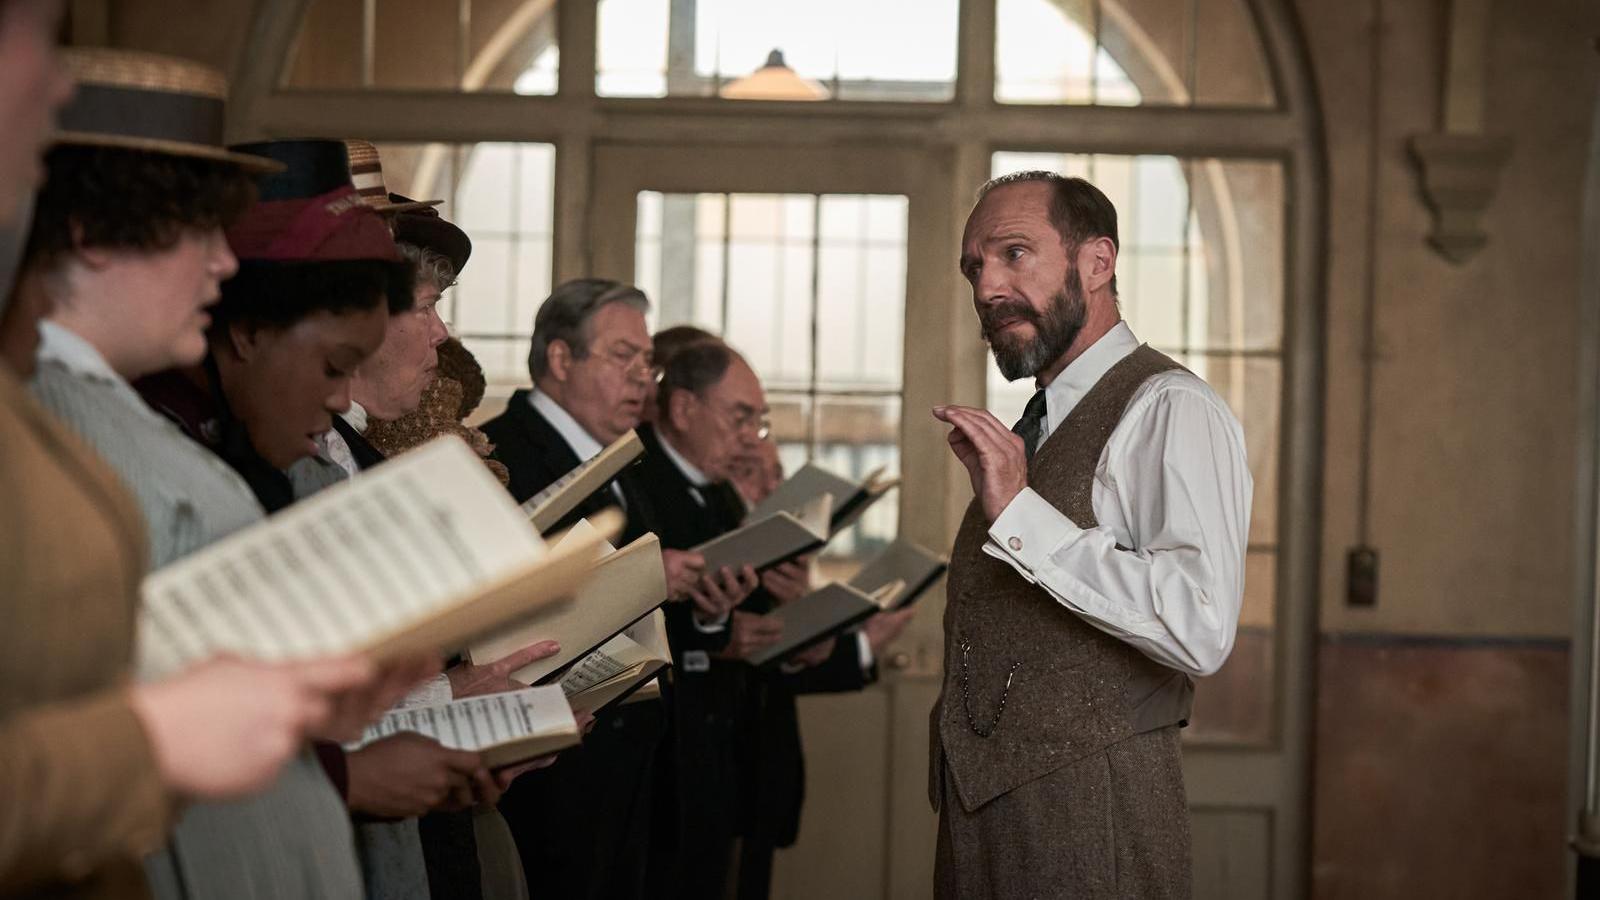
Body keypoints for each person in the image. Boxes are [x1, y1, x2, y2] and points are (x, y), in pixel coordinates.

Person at [0, 39, 409, 898]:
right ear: (93, 233)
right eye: (196, 232)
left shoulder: (98, 415)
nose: (225, 264)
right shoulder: (78, 430)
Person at [930, 171, 1252, 898]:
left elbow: (1198, 624)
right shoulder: (1039, 426)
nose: (986, 288)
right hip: (981, 816)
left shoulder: (1172, 408)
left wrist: (1020, 516)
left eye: (1015, 254)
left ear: (1097, 263)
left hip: (1094, 818)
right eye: (975, 267)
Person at [481, 279, 751, 900]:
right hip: (550, 774)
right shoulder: (501, 454)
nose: (642, 379)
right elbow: (507, 613)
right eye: (622, 357)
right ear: (559, 359)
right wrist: (648, 578)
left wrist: (706, 611)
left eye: (648, 362)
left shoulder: (624, 463)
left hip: (628, 769)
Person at [632, 338, 779, 898]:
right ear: (685, 408)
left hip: (713, 755)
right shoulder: (638, 474)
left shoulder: (719, 494)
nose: (750, 437)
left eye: (758, 421)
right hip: (656, 754)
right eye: (740, 417)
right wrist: (712, 632)